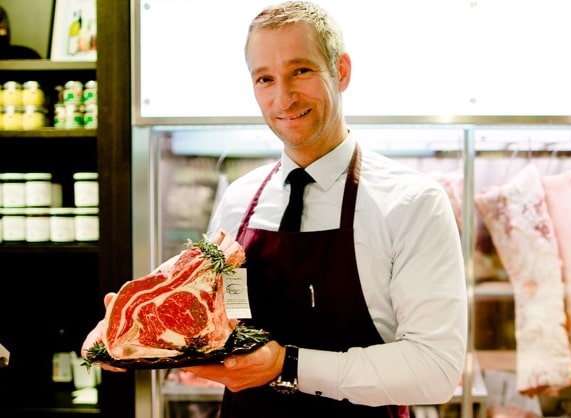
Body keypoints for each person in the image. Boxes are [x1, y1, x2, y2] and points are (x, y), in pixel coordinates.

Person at [81, 1, 467, 416]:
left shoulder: (411, 202)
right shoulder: (239, 201)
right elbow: (217, 325)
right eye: (265, 78)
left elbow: (435, 369)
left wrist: (288, 365)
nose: (283, 97)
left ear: (341, 71)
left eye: (301, 71)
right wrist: (134, 333)